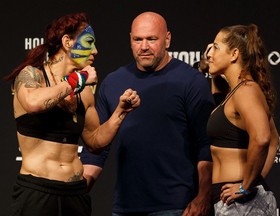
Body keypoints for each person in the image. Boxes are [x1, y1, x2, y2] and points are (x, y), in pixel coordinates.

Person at [4, 12, 140, 216]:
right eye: (89, 42)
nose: (95, 50)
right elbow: (33, 103)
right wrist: (77, 81)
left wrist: (120, 112)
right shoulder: (33, 75)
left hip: (75, 194)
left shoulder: (84, 91)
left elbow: (95, 142)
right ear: (67, 42)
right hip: (37, 192)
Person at [81, 11, 215, 216]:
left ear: (167, 39)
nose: (144, 47)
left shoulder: (191, 81)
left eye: (152, 39)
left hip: (177, 207)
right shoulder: (112, 82)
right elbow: (97, 148)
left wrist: (203, 196)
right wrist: (78, 194)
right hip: (125, 208)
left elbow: (206, 145)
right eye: (138, 39)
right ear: (130, 40)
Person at [206, 24, 279, 215]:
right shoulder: (236, 91)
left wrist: (247, 185)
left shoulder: (246, 91)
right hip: (235, 202)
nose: (210, 53)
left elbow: (264, 138)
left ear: (234, 54)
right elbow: (274, 140)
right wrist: (254, 181)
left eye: (216, 47)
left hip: (244, 204)